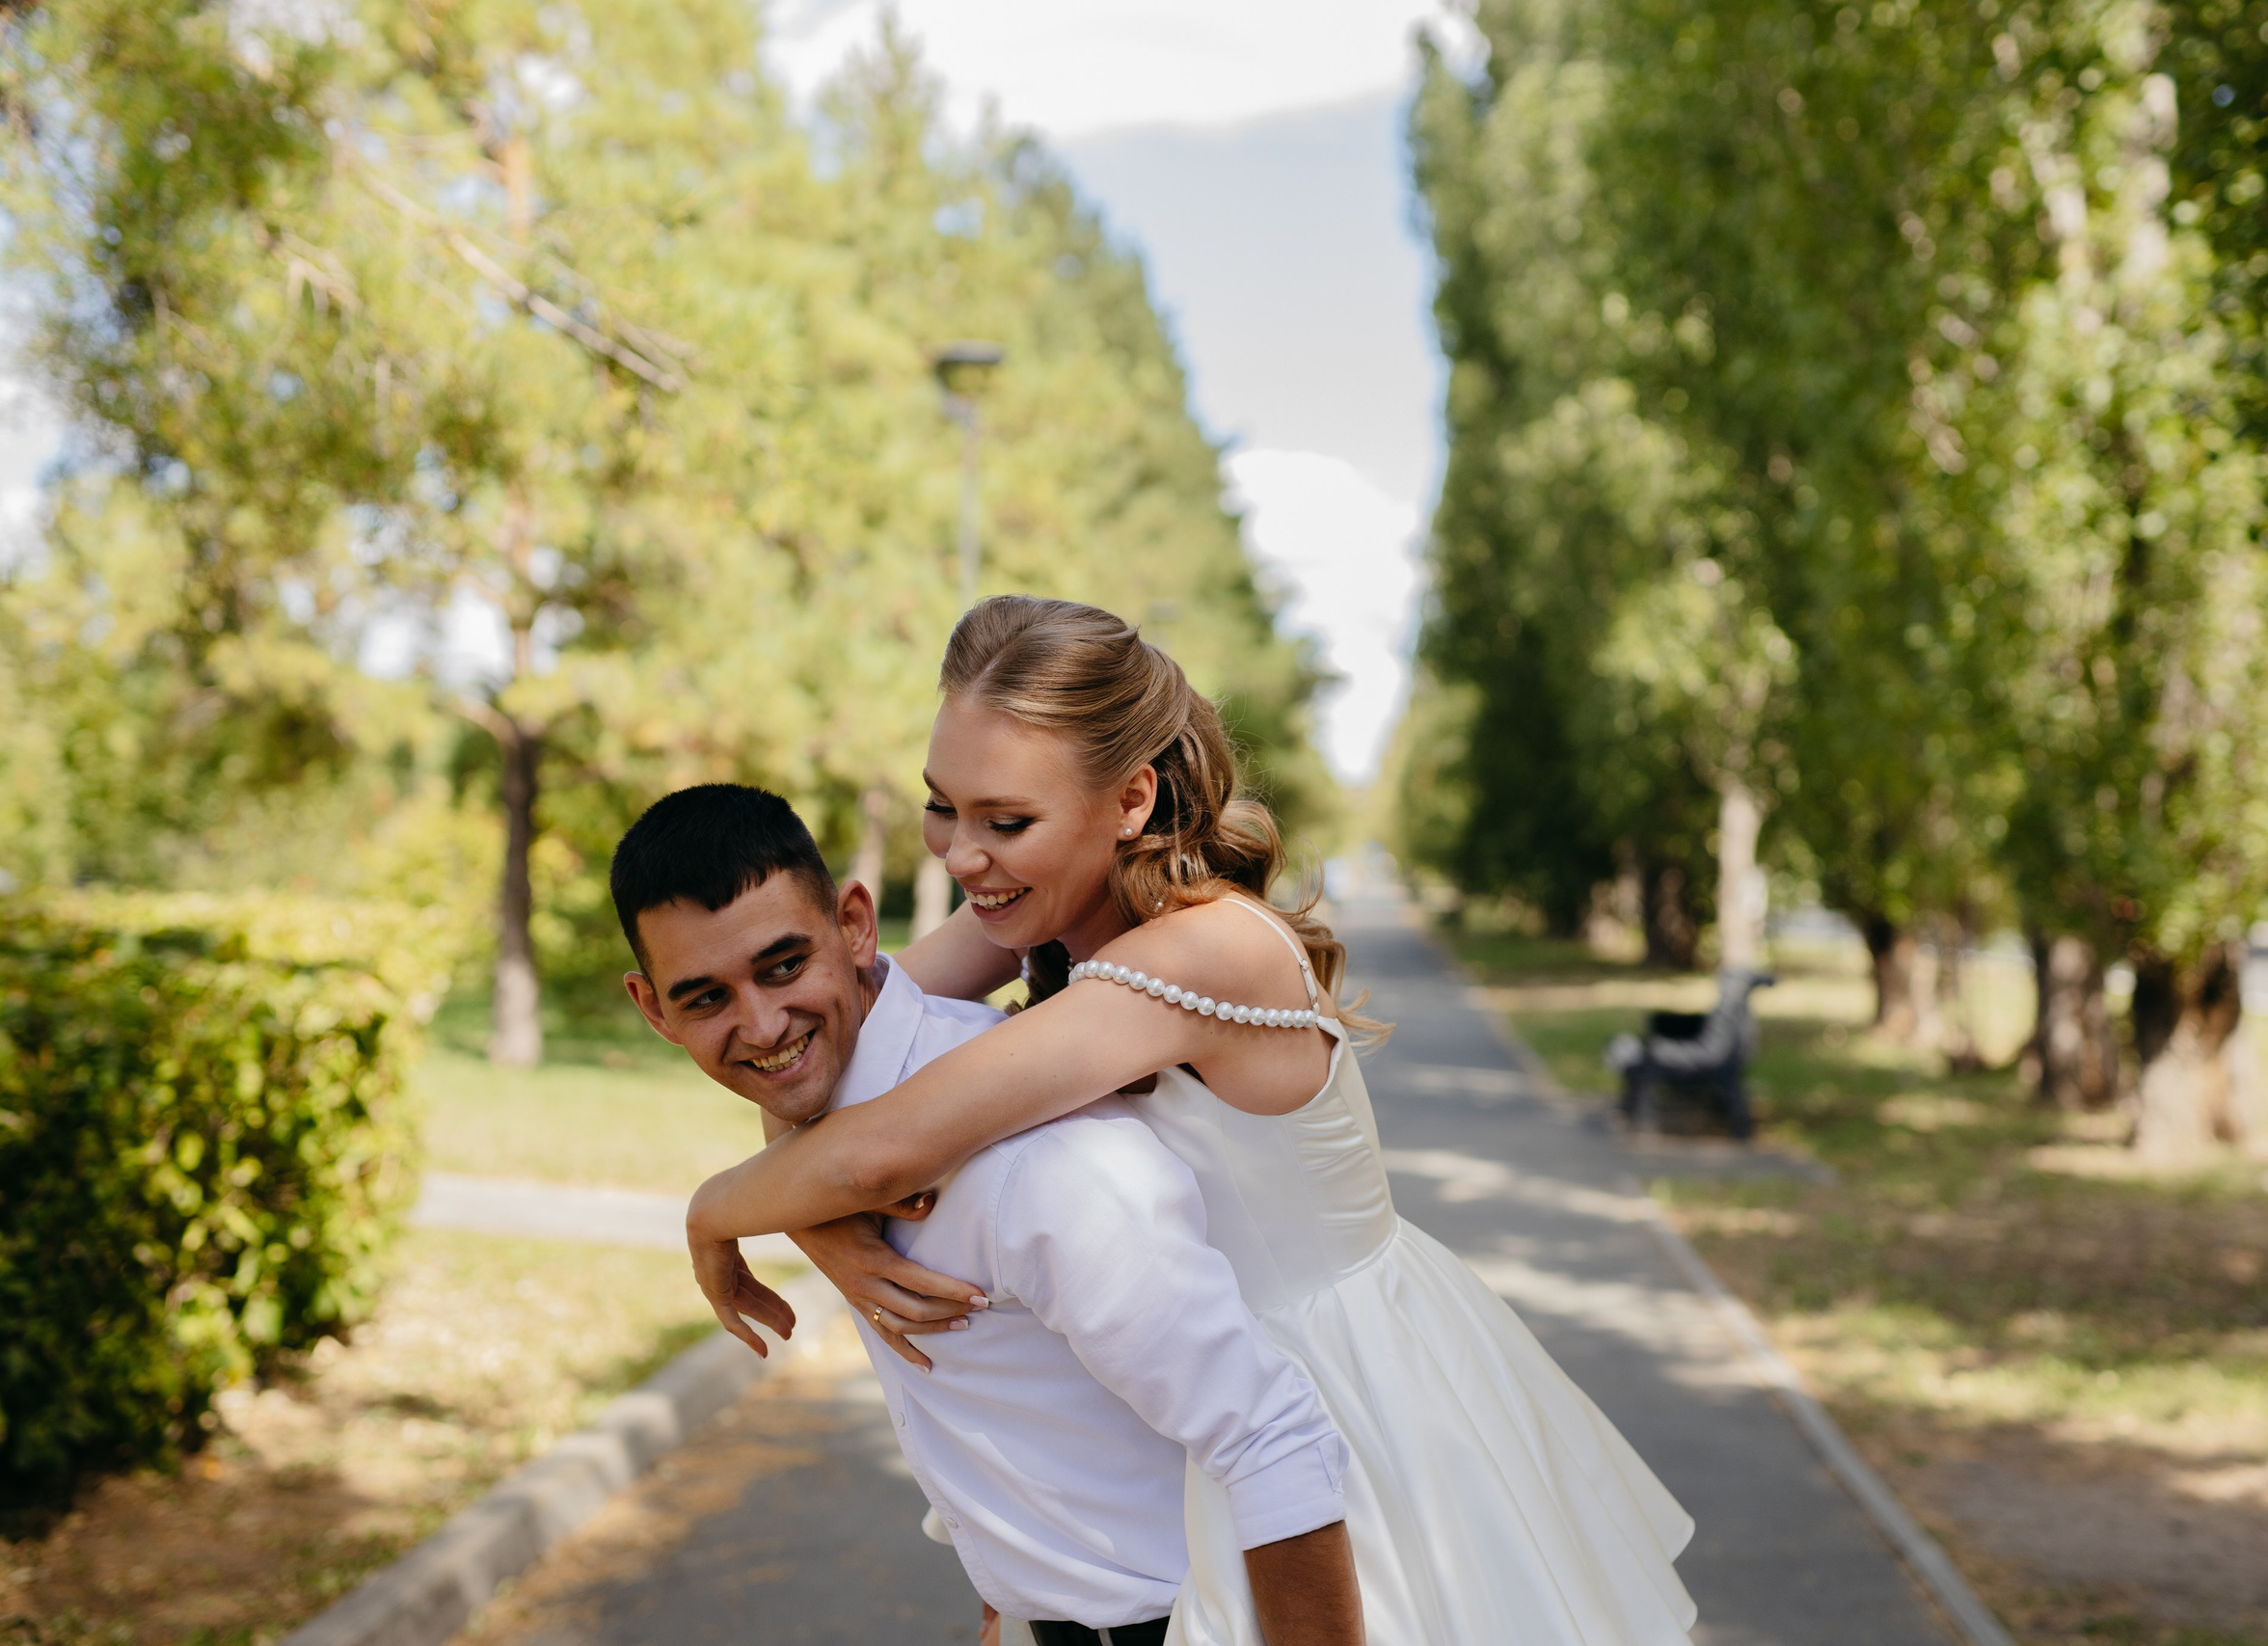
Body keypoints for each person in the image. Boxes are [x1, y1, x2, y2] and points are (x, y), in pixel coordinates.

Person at [686, 596, 1701, 1645]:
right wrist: (815, 1215)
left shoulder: (1206, 949)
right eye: (943, 807)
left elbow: (884, 1146)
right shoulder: (1031, 902)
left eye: (1006, 820)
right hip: (1178, 1410)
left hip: (1334, 1407)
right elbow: (829, 1060)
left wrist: (718, 1215)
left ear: (1128, 800)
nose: (960, 854)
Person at [609, 784, 1364, 1646]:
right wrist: (1010, 1576)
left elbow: (1274, 1440)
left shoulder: (1039, 1167)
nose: (762, 1022)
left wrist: (717, 1211)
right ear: (652, 1007)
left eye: (785, 965)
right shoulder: (816, 1154)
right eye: (705, 997)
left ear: (855, 925)